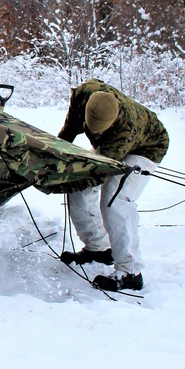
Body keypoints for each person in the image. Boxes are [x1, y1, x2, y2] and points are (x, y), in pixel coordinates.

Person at [57, 79, 169, 292]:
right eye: (93, 130)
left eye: (100, 131)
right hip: (109, 147)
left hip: (146, 148)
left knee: (115, 201)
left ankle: (130, 271)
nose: (95, 134)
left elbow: (101, 173)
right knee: (77, 187)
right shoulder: (83, 96)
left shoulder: (125, 129)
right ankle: (98, 247)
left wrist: (65, 178)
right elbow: (68, 133)